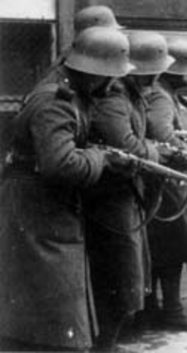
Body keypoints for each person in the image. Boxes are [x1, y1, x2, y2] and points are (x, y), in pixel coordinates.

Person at [0, 26, 135, 352]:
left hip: (40, 206)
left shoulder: (68, 93)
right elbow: (60, 165)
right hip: (38, 211)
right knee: (55, 303)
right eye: (109, 77)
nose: (111, 85)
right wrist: (100, 156)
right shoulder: (56, 103)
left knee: (47, 304)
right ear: (94, 73)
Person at [83, 30, 175, 351]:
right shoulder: (115, 97)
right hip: (110, 198)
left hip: (124, 194)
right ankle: (104, 345)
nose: (158, 75)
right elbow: (124, 145)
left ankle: (109, 341)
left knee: (128, 276)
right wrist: (155, 152)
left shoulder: (132, 95)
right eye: (154, 69)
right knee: (121, 277)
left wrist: (150, 149)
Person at [141, 38, 187, 332]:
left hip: (161, 179)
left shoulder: (161, 91)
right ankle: (172, 310)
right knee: (174, 247)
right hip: (167, 181)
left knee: (162, 248)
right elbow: (162, 135)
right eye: (183, 70)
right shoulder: (160, 95)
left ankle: (153, 309)